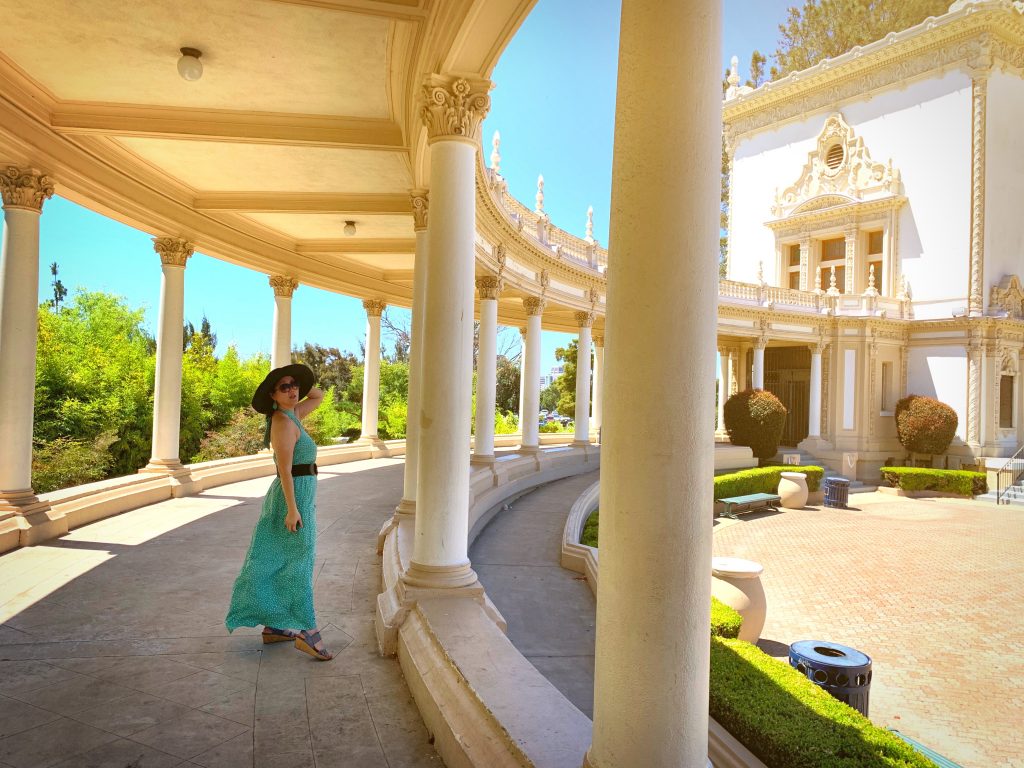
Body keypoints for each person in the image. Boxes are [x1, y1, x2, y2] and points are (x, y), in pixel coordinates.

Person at [225, 363, 333, 660]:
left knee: (281, 557)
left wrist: (300, 379)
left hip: (300, 496)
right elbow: (284, 470)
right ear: (273, 394)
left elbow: (318, 396)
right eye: (284, 387)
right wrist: (292, 510)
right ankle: (307, 631)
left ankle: (275, 626)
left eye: (294, 385)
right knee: (299, 560)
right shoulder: (282, 422)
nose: (293, 390)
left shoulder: (292, 414)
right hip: (292, 497)